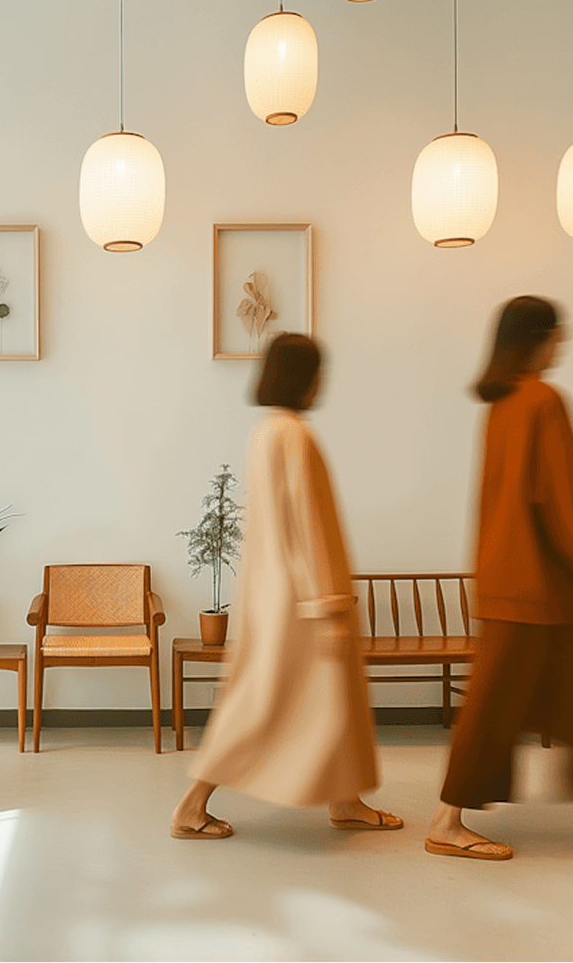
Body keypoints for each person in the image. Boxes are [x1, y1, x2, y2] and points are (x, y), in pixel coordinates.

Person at [426, 295, 573, 862]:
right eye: (558, 335)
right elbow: (564, 496)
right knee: (493, 703)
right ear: (536, 340)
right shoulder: (544, 400)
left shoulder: (501, 405)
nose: (563, 345)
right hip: (540, 586)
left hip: (512, 579)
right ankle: (446, 823)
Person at [171, 333, 403, 840]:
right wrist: (326, 605)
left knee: (323, 701)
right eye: (318, 372)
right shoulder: (294, 434)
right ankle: (192, 806)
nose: (324, 382)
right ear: (303, 377)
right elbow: (307, 526)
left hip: (277, 595)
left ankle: (347, 800)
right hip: (304, 602)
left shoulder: (266, 431)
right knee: (264, 703)